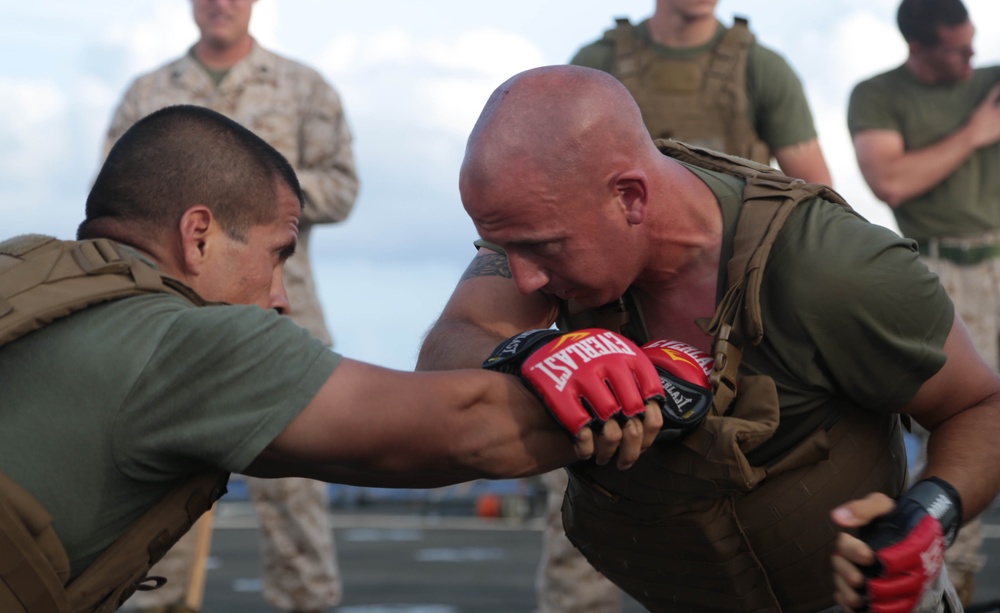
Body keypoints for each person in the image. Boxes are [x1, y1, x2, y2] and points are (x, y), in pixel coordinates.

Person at [0, 104, 666, 613]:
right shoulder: (191, 343)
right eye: (275, 256)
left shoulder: (25, 273)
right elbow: (469, 430)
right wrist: (659, 383)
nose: (279, 297)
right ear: (198, 236)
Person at [416, 64, 1000, 612]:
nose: (524, 281)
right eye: (506, 248)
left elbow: (982, 405)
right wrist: (531, 352)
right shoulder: (544, 210)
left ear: (631, 198)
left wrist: (929, 514)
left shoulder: (833, 269)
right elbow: (449, 355)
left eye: (541, 248)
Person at [534, 2, 833, 609]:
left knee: (731, 519)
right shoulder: (598, 66)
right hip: (605, 323)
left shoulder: (759, 70)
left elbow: (818, 204)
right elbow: (544, 190)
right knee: (585, 514)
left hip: (727, 330)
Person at [101, 0, 358, 610]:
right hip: (170, 325)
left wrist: (247, 189)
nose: (221, 4)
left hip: (278, 317)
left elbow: (342, 187)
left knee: (296, 502)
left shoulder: (303, 87)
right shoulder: (148, 94)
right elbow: (113, 198)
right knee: (155, 506)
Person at [847, 0, 1000, 604]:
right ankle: (930, 582)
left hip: (997, 261)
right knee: (956, 427)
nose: (971, 56)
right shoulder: (878, 94)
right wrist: (976, 133)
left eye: (973, 44)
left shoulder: (991, 79)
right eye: (958, 49)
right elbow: (891, 181)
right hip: (933, 271)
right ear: (921, 47)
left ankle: (955, 575)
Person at [570, 0, 832, 185]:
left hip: (734, 254)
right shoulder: (596, 63)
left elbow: (816, 195)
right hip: (627, 250)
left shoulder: (761, 67)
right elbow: (561, 175)